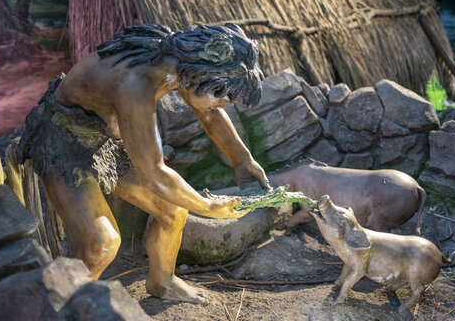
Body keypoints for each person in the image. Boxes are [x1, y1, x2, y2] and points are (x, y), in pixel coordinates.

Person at [14, 23, 270, 304]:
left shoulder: (181, 62)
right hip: (64, 139)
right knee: (100, 244)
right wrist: (209, 207)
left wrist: (242, 159)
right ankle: (65, 305)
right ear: (202, 75)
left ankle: (163, 282)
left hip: (106, 134)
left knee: (173, 210)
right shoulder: (136, 81)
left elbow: (208, 113)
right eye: (222, 95)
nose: (223, 104)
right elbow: (154, 174)